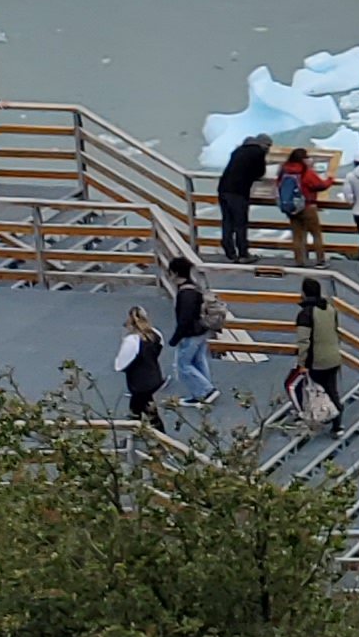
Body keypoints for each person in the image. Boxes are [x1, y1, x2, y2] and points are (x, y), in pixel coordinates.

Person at [295, 275, 346, 438]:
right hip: (334, 356)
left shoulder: (305, 314)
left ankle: (313, 417)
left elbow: (304, 341)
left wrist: (302, 363)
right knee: (331, 389)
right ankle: (337, 424)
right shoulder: (330, 309)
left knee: (306, 389)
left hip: (317, 360)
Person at [166, 257, 217, 406]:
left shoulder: (185, 294)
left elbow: (184, 320)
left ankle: (206, 390)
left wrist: (175, 339)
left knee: (184, 365)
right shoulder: (194, 288)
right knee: (199, 360)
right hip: (201, 330)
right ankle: (203, 391)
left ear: (175, 273)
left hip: (191, 333)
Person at [215, 135, 269, 265]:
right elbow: (260, 172)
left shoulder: (238, 151)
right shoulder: (258, 152)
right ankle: (243, 254)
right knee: (240, 224)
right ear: (264, 144)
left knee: (227, 221)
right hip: (238, 192)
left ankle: (229, 250)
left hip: (223, 189)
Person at [275, 146, 333, 267]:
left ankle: (299, 260)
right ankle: (320, 260)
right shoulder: (305, 171)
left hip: (291, 207)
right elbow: (320, 185)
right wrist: (330, 179)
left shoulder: (284, 171)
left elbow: (279, 185)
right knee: (316, 233)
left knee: (297, 235)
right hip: (307, 205)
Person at [114, 306, 165, 429]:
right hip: (154, 375)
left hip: (139, 382)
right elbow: (159, 349)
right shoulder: (156, 334)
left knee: (148, 409)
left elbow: (120, 364)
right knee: (137, 404)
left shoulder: (132, 341)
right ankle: (136, 422)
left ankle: (159, 434)